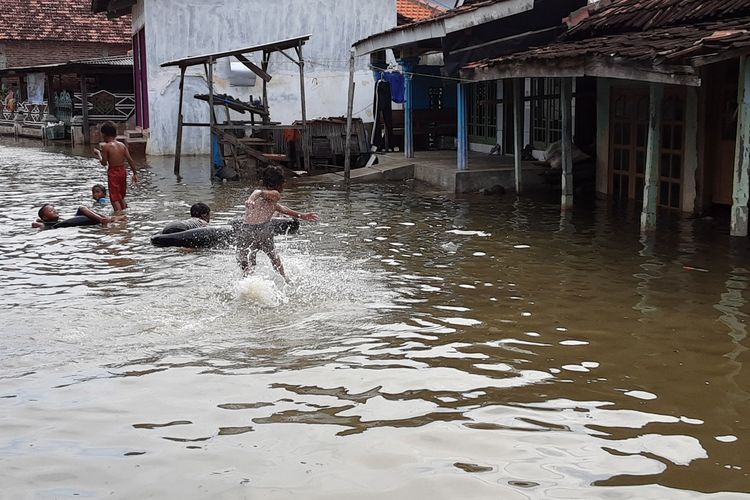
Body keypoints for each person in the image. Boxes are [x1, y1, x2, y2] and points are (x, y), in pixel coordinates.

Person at [237, 166, 318, 279]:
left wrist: (302, 215)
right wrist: (251, 198)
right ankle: (285, 279)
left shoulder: (267, 200)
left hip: (246, 231)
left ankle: (247, 286)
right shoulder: (275, 194)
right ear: (281, 183)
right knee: (274, 258)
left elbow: (282, 208)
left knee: (247, 263)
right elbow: (258, 192)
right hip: (262, 230)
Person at [94, 121, 139, 213]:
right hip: (123, 171)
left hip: (113, 172)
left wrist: (98, 154)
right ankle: (125, 212)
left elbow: (104, 163)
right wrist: (135, 173)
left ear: (104, 135)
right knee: (121, 196)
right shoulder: (122, 145)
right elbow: (130, 160)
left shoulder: (106, 147)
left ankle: (118, 215)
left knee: (114, 198)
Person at [32, 204, 124, 229]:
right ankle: (103, 219)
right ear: (45, 217)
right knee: (81, 208)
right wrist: (39, 222)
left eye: (54, 209)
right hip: (73, 223)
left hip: (77, 220)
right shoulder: (47, 225)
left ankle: (107, 219)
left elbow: (39, 220)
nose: (55, 211)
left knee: (83, 210)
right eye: (51, 211)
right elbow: (34, 224)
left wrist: (41, 220)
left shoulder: (51, 220)